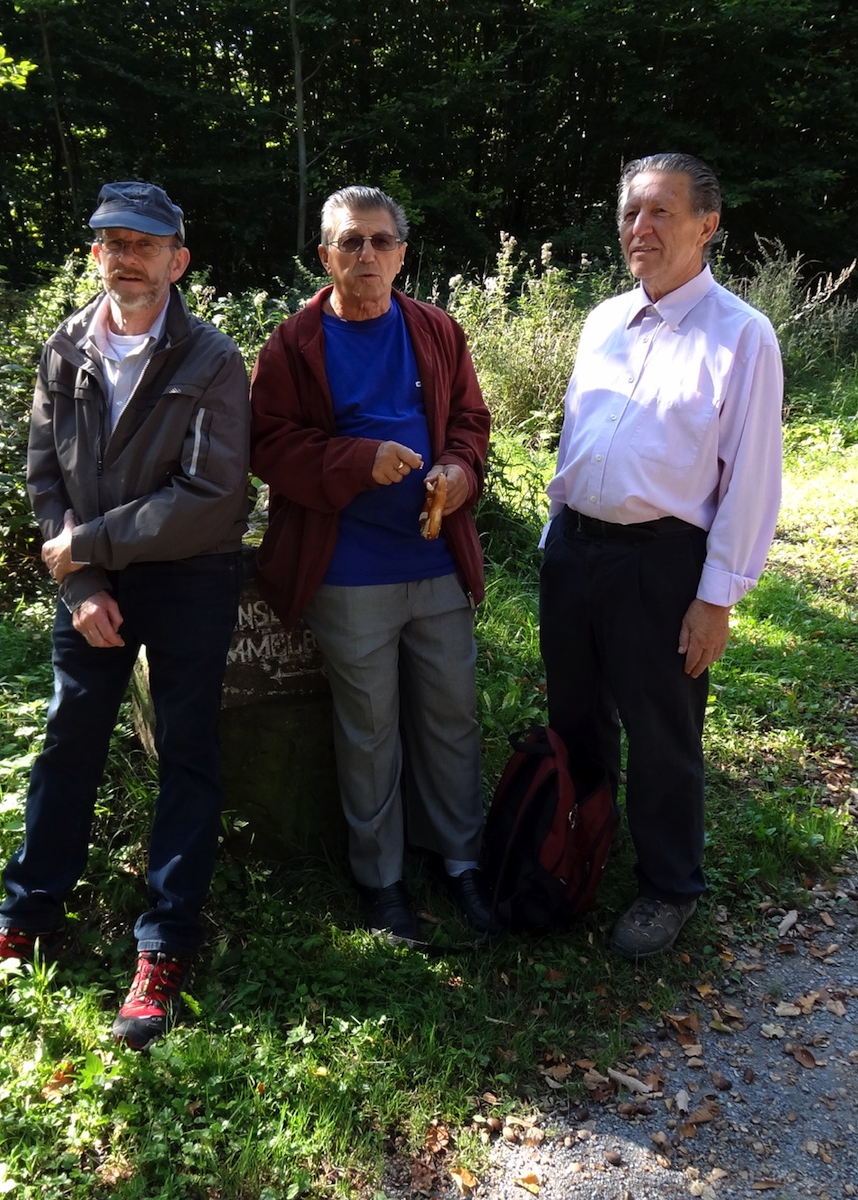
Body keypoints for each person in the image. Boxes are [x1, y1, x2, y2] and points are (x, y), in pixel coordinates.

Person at [0, 181, 251, 1052]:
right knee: (68, 740)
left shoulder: (212, 359)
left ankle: (166, 944)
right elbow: (44, 473)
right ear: (95, 254)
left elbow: (211, 494)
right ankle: (26, 920)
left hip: (191, 576)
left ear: (177, 261)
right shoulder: (65, 347)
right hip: (91, 584)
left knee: (188, 751)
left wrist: (87, 544)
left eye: (145, 244)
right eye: (113, 242)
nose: (128, 258)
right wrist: (80, 581)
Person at [540, 153, 784, 960]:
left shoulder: (740, 335)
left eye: (660, 212)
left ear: (706, 225)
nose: (639, 229)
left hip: (661, 564)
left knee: (662, 732)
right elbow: (578, 438)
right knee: (576, 716)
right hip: (576, 552)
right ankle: (582, 847)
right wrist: (555, 537)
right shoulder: (603, 321)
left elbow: (752, 477)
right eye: (630, 214)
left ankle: (669, 886)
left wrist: (716, 598)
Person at [249, 185, 493, 944]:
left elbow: (470, 420)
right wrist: (357, 460)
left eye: (381, 241)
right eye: (350, 241)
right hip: (349, 569)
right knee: (369, 730)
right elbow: (268, 446)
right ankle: (382, 881)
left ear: (401, 254)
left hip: (436, 558)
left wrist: (459, 471)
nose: (367, 255)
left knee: (451, 717)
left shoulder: (437, 329)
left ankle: (460, 860)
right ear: (325, 256)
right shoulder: (293, 344)